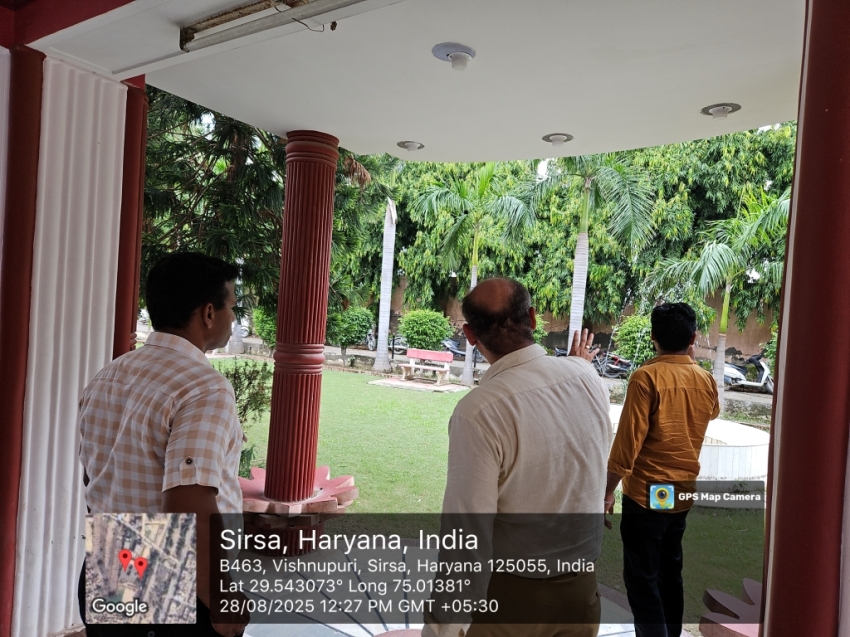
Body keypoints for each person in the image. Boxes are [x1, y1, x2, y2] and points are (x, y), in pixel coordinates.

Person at [423, 278, 612, 637]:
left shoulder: (479, 411)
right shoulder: (587, 377)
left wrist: (441, 626)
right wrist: (578, 366)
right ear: (533, 318)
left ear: (470, 335)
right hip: (582, 596)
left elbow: (467, 538)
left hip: (511, 603)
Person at [77, 252, 248, 637]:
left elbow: (94, 475)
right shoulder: (204, 389)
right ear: (208, 313)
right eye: (231, 307)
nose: (233, 318)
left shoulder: (108, 376)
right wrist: (221, 596)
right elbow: (190, 501)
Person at [604, 303, 720, 637]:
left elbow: (627, 444)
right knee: (670, 573)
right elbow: (713, 412)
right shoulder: (705, 379)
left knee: (642, 580)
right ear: (693, 338)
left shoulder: (646, 377)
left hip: (648, 494)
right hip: (680, 493)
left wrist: (607, 490)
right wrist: (690, 365)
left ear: (653, 336)